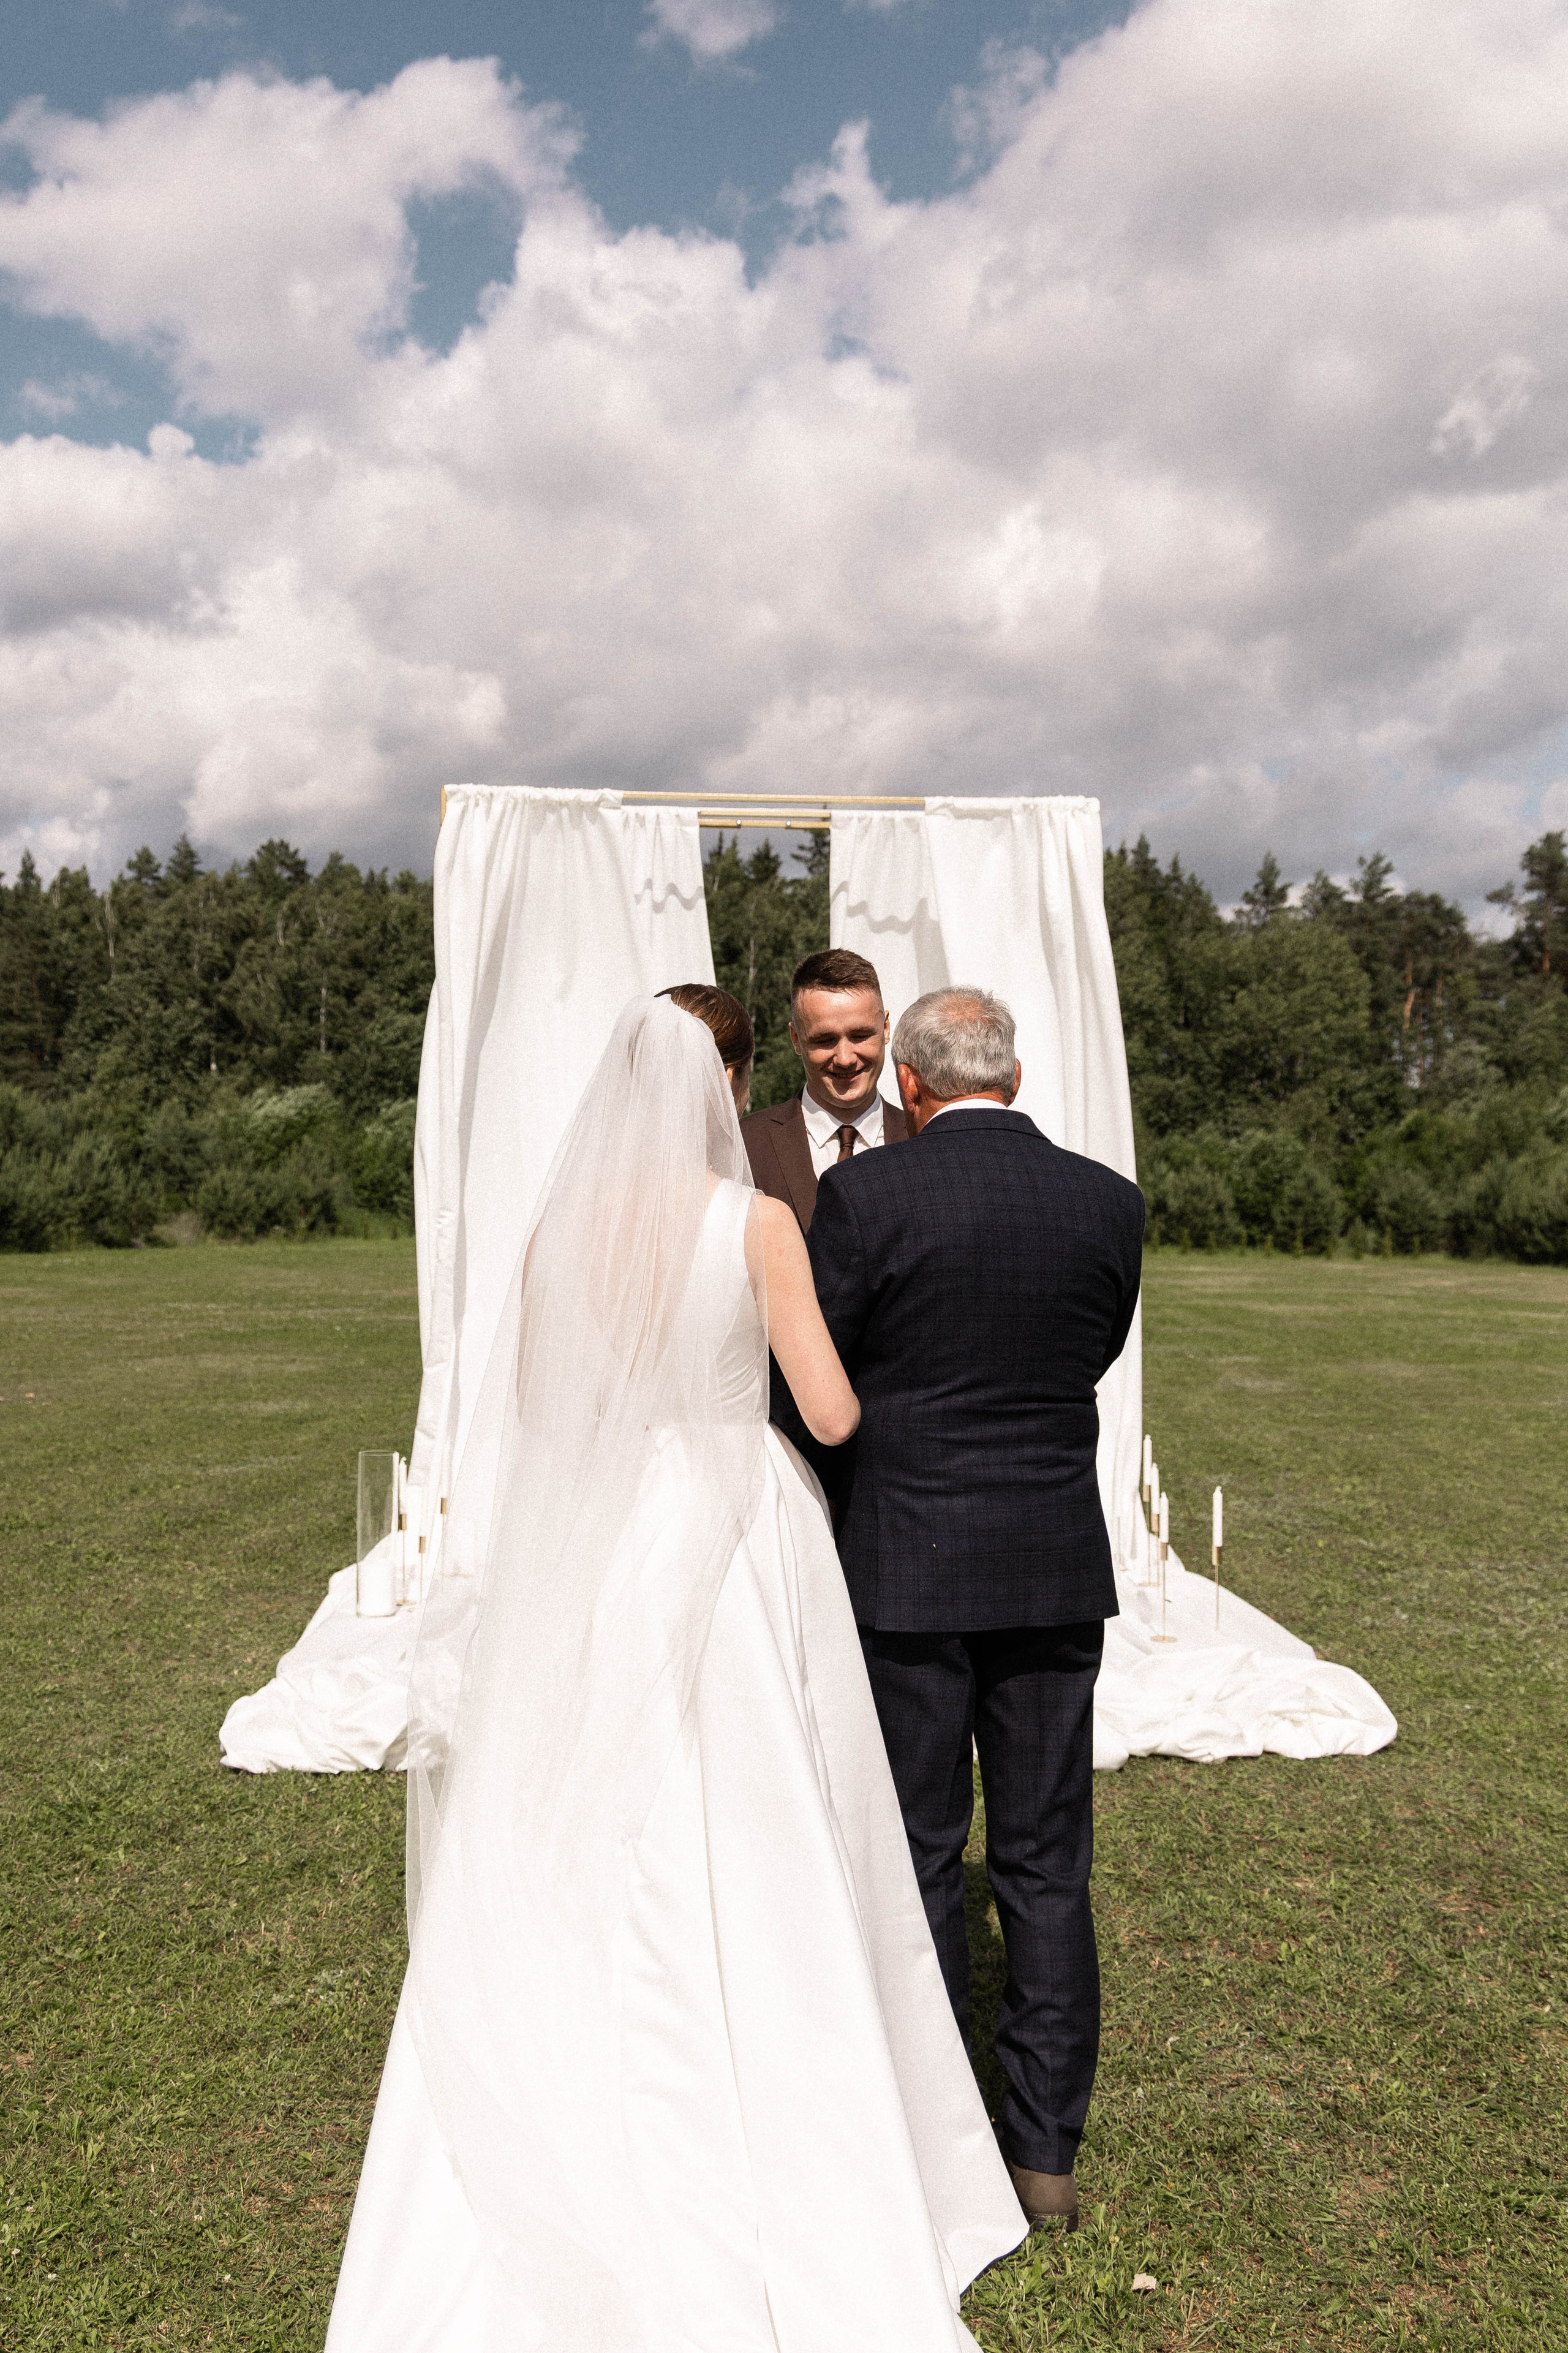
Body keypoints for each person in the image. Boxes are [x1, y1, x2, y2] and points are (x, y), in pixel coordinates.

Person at [325, 987, 1025, 2353]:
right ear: (727, 1088)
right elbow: (824, 1409)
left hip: (605, 1538)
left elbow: (539, 1406)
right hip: (736, 1527)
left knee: (594, 1796)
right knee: (764, 1796)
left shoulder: (556, 1230)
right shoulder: (756, 1222)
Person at [790, 987, 1144, 2234]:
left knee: (921, 1854)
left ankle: (932, 2134)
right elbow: (1090, 1351)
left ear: (914, 1085)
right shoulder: (1107, 1200)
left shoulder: (868, 1197)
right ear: (1017, 1071)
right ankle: (1042, 2151)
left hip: (907, 1567)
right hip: (1052, 1566)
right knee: (1046, 1863)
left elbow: (817, 1375)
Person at [741, 948, 910, 1234]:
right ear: (796, 1039)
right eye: (825, 1040)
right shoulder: (747, 1144)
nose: (845, 1058)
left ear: (885, 1028)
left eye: (860, 1036)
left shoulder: (922, 1137)